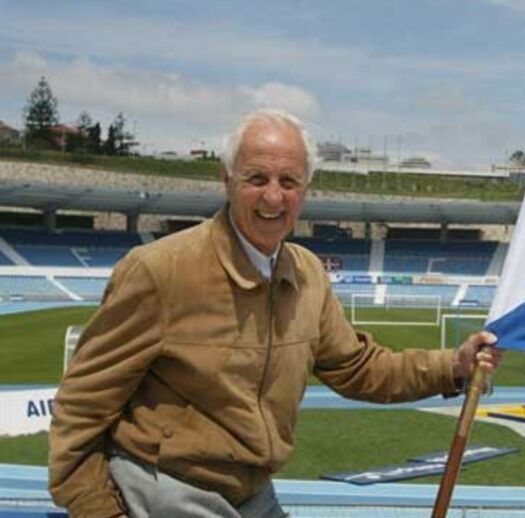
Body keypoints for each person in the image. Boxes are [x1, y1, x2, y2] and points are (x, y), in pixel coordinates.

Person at [48, 108, 502, 518]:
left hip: (253, 494)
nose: (273, 197)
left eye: (289, 182)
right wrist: (98, 512)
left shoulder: (307, 274)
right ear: (226, 180)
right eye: (257, 179)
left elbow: (358, 369)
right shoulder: (160, 270)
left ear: (305, 190)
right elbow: (81, 407)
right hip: (168, 489)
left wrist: (453, 366)